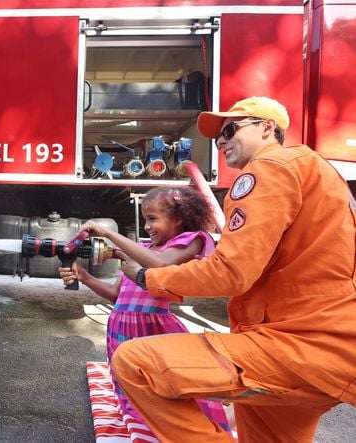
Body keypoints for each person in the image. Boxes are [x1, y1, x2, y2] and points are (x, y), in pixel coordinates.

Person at [108, 96, 356, 442]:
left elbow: (231, 272)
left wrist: (146, 277)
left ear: (267, 128)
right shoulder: (320, 172)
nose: (221, 141)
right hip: (331, 354)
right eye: (217, 136)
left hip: (293, 347)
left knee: (135, 364)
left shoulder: (270, 168)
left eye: (230, 129)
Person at [59, 187, 232, 435]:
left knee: (171, 392)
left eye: (153, 218)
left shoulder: (191, 241)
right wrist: (84, 277)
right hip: (120, 329)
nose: (148, 226)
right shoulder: (142, 247)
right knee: (137, 396)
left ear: (178, 218)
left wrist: (109, 233)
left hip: (153, 329)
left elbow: (160, 264)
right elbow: (117, 296)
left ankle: (227, 421)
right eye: (145, 219)